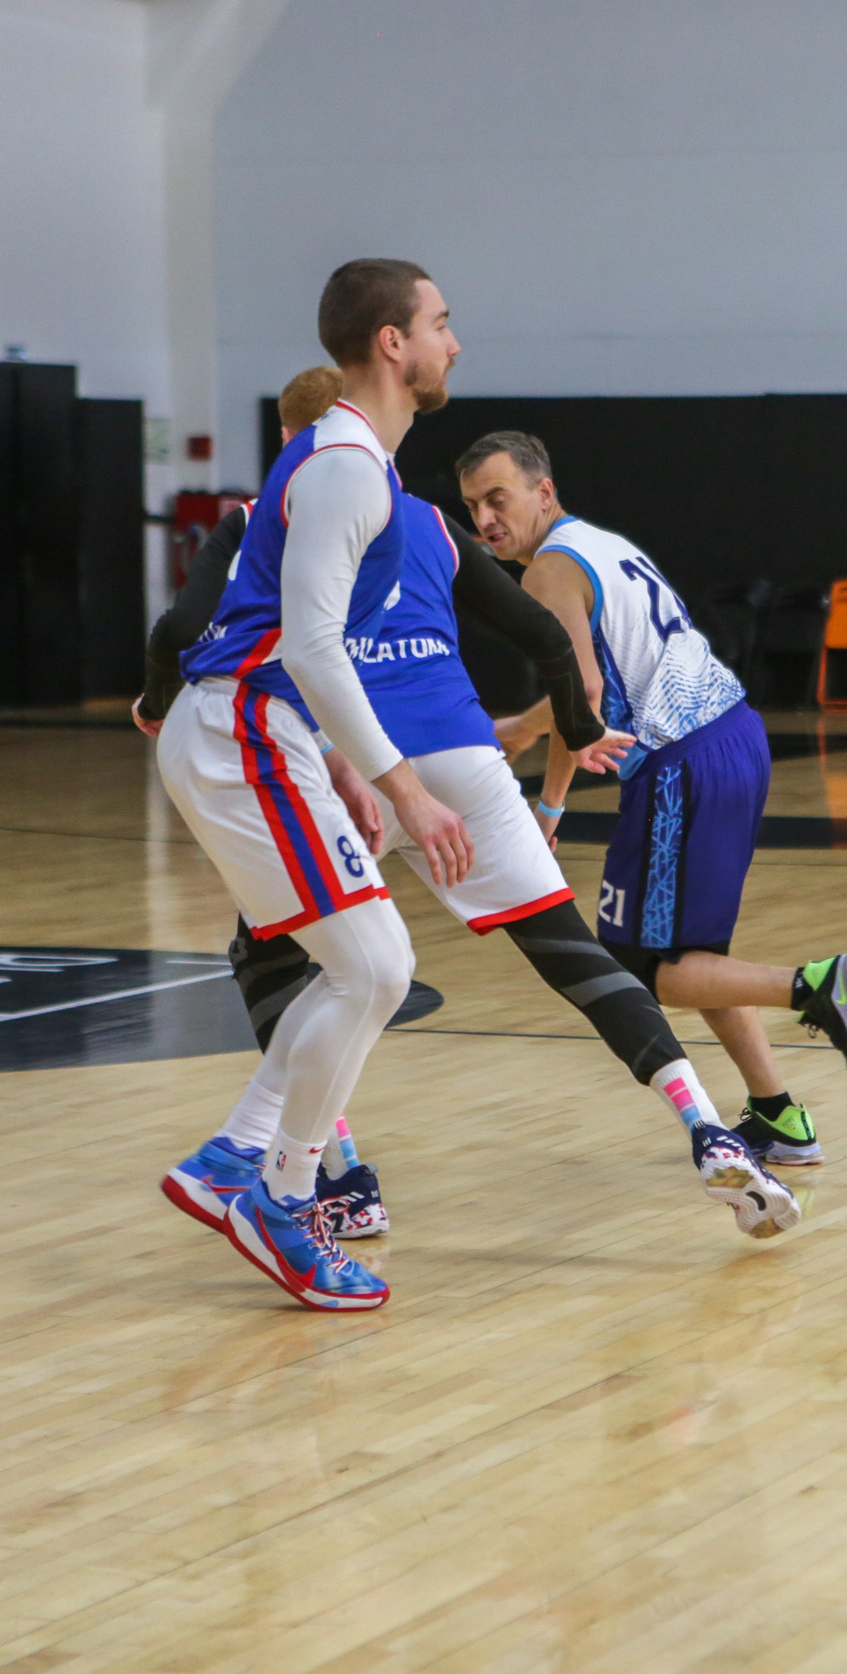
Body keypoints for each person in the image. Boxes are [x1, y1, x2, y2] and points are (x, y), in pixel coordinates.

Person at [148, 378, 806, 1243]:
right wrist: (577, 728)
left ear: (289, 438)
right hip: (466, 749)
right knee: (570, 950)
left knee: (279, 954)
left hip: (351, 758)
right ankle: (705, 1124)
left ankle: (334, 1175)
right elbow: (545, 636)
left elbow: (178, 634)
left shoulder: (264, 517)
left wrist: (154, 704)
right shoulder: (423, 518)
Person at [149, 258, 471, 1309]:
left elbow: (296, 636)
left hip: (257, 727)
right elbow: (312, 646)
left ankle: (239, 1161)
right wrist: (403, 785)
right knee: (373, 966)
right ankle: (278, 1196)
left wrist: (334, 758)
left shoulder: (349, 456)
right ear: (392, 342)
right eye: (439, 322)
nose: (453, 342)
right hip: (241, 726)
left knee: (365, 968)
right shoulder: (345, 467)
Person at [460, 430, 847, 1167]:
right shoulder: (600, 544)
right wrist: (536, 746)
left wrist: (545, 796)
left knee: (638, 961)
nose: (486, 519)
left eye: (498, 498)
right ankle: (780, 1116)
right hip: (736, 737)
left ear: (543, 492)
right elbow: (582, 698)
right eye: (472, 507)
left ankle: (817, 987)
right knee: (695, 952)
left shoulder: (550, 571)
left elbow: (582, 695)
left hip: (682, 766)